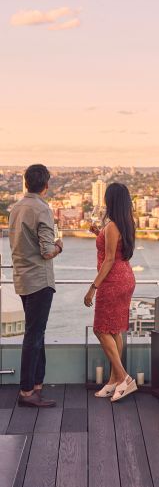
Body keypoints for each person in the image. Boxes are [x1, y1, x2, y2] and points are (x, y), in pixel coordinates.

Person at [9, 164, 63, 407]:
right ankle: (27, 391)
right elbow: (47, 251)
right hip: (40, 281)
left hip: (22, 278)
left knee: (36, 332)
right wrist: (60, 246)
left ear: (26, 182)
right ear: (46, 185)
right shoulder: (42, 209)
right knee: (33, 335)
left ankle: (37, 385)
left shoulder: (16, 208)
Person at [84, 182, 137, 402]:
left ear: (110, 201)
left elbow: (108, 260)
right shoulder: (125, 224)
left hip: (112, 281)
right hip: (125, 277)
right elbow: (115, 248)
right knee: (114, 329)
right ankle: (114, 380)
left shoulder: (113, 226)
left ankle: (124, 378)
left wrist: (92, 288)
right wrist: (99, 232)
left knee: (100, 329)